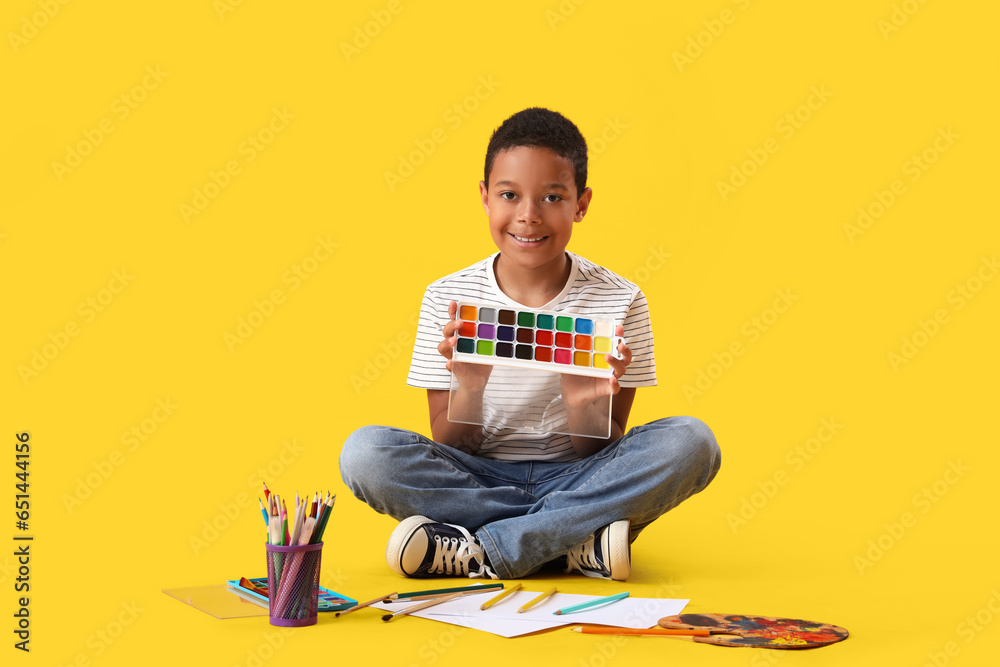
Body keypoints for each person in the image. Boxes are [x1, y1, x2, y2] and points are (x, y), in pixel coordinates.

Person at [339, 107, 720, 581]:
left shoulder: (620, 299)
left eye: (552, 197)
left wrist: (584, 404)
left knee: (691, 442)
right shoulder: (448, 298)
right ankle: (572, 543)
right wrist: (470, 389)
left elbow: (596, 452)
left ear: (581, 203)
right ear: (484, 198)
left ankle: (487, 549)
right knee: (366, 452)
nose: (528, 216)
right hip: (476, 479)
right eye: (509, 195)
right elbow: (450, 442)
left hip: (578, 477)